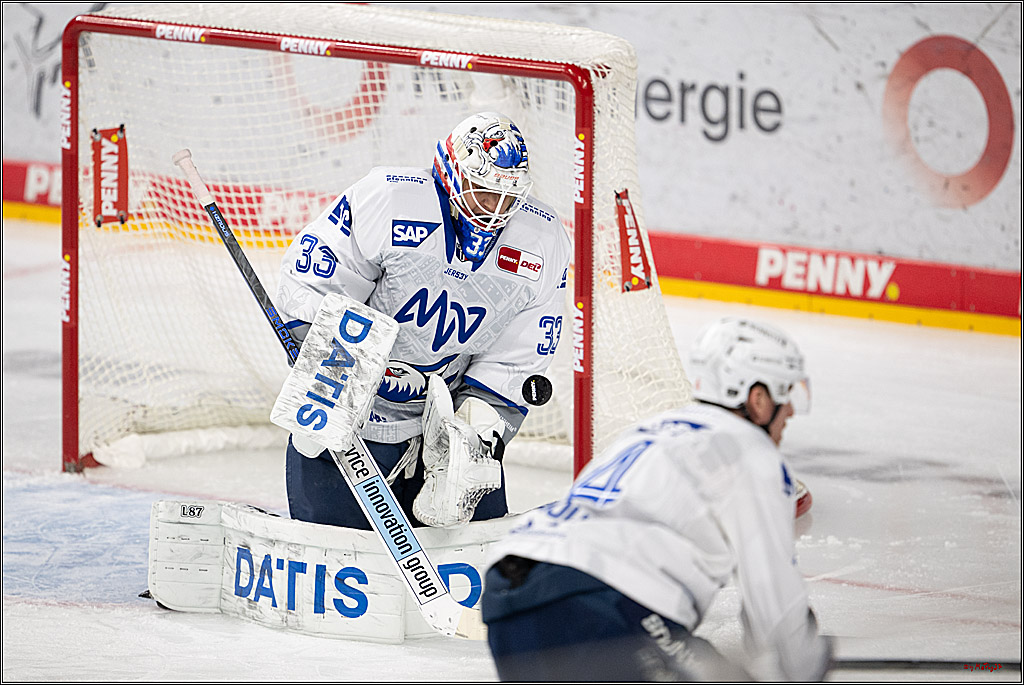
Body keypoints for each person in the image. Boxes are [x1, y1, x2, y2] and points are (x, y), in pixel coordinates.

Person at [480, 317, 833, 682]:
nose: (790, 410)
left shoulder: (649, 430)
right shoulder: (750, 451)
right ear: (757, 398)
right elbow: (772, 598)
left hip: (509, 593)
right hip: (597, 603)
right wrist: (802, 661)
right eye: (784, 393)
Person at [276, 111, 571, 531]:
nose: (497, 209)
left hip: (447, 411)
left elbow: (521, 354)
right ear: (450, 172)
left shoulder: (542, 240)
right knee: (328, 531)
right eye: (484, 192)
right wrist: (332, 377)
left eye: (509, 196)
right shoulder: (389, 199)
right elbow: (315, 284)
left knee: (471, 508)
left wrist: (475, 433)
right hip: (357, 402)